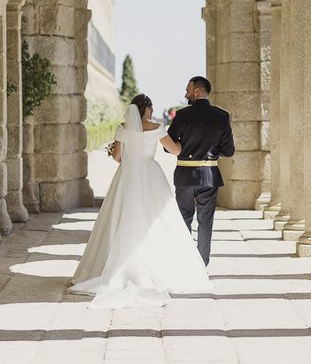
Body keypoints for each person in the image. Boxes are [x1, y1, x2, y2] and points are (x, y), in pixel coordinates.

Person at [69, 94, 211, 309]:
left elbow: (117, 156)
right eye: (151, 108)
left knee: (119, 217)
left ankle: (109, 269)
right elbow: (175, 150)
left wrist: (123, 154)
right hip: (150, 174)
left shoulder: (123, 128)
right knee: (158, 219)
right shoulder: (156, 128)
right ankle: (162, 268)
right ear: (148, 109)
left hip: (126, 177)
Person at [167, 76, 235, 266]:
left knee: (184, 218)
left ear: (197, 91)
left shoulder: (182, 115)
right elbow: (229, 151)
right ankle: (201, 264)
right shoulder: (222, 116)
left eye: (188, 89)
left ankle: (184, 262)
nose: (186, 94)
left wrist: (184, 146)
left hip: (185, 175)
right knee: (206, 222)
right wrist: (213, 151)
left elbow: (168, 146)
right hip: (209, 175)